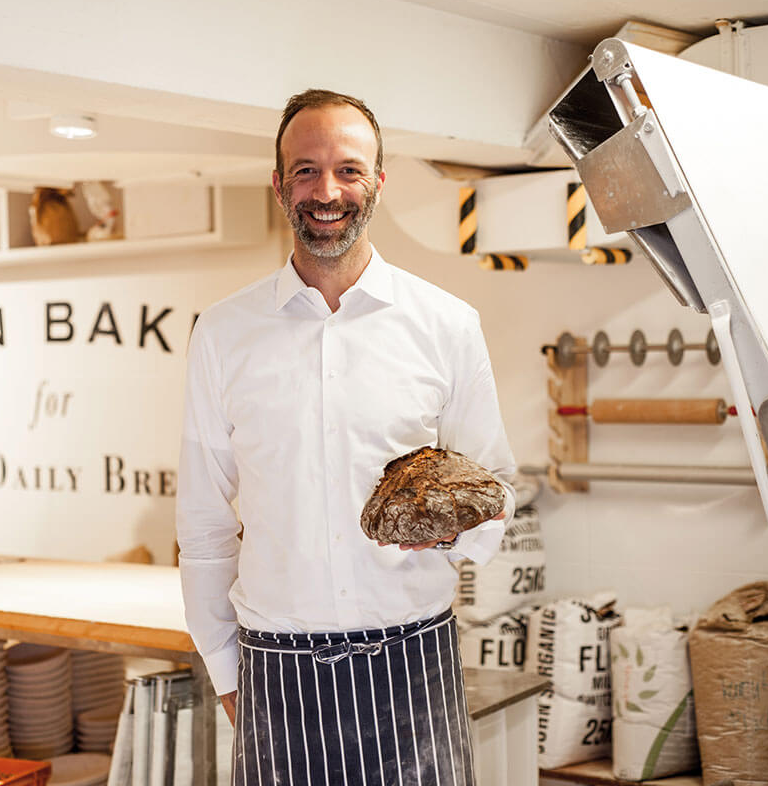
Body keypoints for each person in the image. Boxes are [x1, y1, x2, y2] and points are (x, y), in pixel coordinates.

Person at [176, 89, 517, 785]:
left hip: (412, 668)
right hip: (274, 674)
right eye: (304, 170)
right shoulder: (222, 334)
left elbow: (498, 499)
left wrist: (444, 527)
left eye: (348, 170)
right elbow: (205, 525)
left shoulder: (446, 325)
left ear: (379, 184)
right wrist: (225, 673)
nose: (326, 191)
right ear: (278, 186)